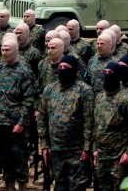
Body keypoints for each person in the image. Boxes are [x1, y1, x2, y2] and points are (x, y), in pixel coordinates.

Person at [38, 55, 94, 191]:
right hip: (56, 150)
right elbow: (42, 119)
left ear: (74, 70)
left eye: (66, 68)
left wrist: (87, 148)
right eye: (60, 67)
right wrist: (44, 145)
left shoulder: (84, 91)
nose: (62, 70)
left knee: (77, 186)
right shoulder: (49, 90)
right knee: (60, 186)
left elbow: (89, 121)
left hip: (77, 150)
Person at [0, 37, 38, 191]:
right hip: (0, 121)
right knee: (4, 157)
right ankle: (9, 185)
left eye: (7, 50)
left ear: (15, 50)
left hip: (16, 122)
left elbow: (28, 99)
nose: (4, 53)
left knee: (18, 156)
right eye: (2, 50)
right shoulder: (0, 68)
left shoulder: (24, 71)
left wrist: (21, 122)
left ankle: (22, 185)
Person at [93, 62, 128, 191]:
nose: (107, 76)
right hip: (102, 155)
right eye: (106, 73)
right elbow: (96, 124)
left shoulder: (126, 99)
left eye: (111, 73)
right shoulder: (99, 98)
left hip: (119, 157)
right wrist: (94, 148)